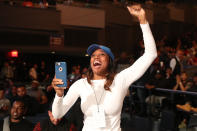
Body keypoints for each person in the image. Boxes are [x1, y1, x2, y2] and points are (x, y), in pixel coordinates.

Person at [51, 4, 157, 131]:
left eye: (102, 55)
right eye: (93, 55)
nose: (96, 57)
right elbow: (57, 114)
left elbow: (151, 54)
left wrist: (143, 20)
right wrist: (59, 95)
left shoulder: (121, 80)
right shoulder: (80, 84)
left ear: (110, 62)